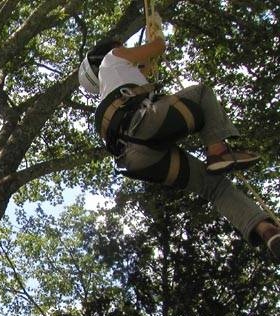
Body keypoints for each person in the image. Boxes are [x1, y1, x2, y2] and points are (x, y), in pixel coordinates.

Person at [77, 13, 280, 261]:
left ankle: (266, 230)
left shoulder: (113, 92)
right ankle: (218, 152)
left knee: (214, 187)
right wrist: (157, 32)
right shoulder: (113, 57)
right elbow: (157, 47)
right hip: (143, 124)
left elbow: (142, 72)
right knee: (201, 93)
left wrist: (146, 67)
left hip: (135, 159)